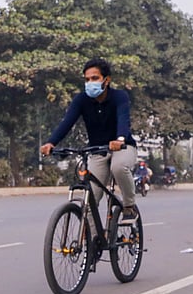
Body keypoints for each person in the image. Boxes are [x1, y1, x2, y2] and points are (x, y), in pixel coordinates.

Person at [39, 58, 138, 233]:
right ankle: (93, 243)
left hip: (122, 147)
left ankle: (129, 206)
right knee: (90, 198)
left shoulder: (119, 97)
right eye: (87, 79)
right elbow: (67, 122)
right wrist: (51, 142)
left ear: (106, 80)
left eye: (95, 78)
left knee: (118, 167)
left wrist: (120, 139)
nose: (90, 83)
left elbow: (124, 119)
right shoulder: (81, 100)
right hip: (97, 150)